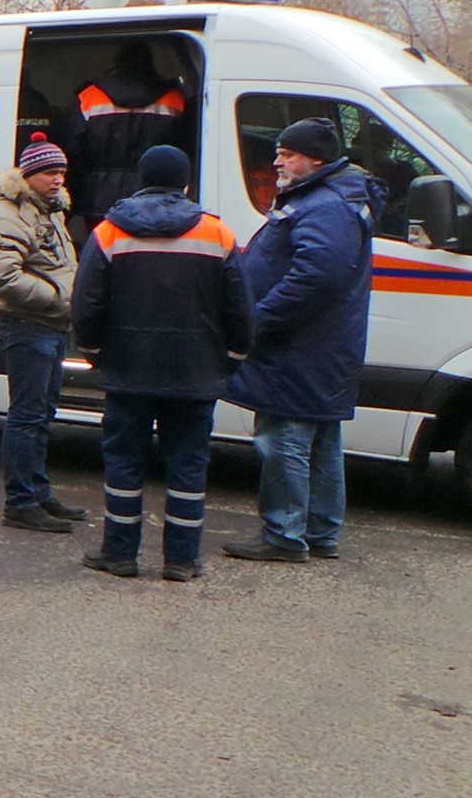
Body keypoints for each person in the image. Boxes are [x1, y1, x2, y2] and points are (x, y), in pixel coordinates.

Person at [72, 146, 254, 582]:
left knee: (124, 462)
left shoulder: (110, 231)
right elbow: (241, 309)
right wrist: (232, 358)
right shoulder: (217, 234)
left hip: (128, 369)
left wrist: (95, 353)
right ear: (186, 182)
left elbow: (87, 303)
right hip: (196, 371)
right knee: (188, 465)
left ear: (140, 178)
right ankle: (181, 560)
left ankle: (119, 554)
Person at [223, 117, 387, 564]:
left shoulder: (324, 206)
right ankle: (319, 532)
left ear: (317, 159)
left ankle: (284, 532)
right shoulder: (326, 199)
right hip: (318, 346)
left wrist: (259, 318)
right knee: (320, 440)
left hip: (299, 347)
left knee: (285, 440)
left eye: (288, 153)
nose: (277, 160)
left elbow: (317, 275)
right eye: (279, 151)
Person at [0, 132, 87, 533]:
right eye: (48, 172)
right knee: (26, 416)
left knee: (43, 413)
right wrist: (61, 299)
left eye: (61, 171)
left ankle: (39, 492)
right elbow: (3, 276)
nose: (58, 179)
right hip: (29, 324)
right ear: (29, 176)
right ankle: (20, 502)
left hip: (52, 324)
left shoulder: (51, 209)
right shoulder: (10, 212)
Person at [67, 42, 187, 232]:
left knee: (104, 253)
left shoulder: (90, 95)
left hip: (100, 197)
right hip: (156, 200)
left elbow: (73, 149)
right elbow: (187, 148)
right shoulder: (174, 97)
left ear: (117, 62)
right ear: (151, 63)